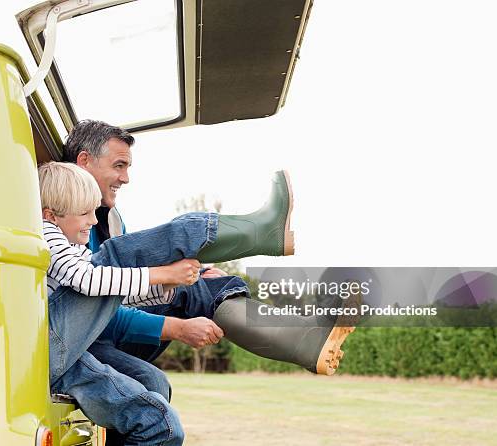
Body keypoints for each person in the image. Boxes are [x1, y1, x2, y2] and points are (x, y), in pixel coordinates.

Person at [62, 119, 357, 377]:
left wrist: (189, 276)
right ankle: (263, 232)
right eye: (119, 166)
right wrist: (176, 323)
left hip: (105, 330)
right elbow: (95, 296)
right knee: (144, 256)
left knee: (201, 286)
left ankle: (307, 339)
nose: (126, 178)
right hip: (78, 337)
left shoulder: (110, 220)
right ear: (84, 161)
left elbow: (124, 291)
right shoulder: (55, 217)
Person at [39, 161, 303, 445]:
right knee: (116, 257)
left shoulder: (71, 245)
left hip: (66, 353)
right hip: (46, 348)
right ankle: (251, 232)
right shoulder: (45, 232)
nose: (93, 221)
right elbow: (89, 280)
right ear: (50, 215)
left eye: (94, 212)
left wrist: (168, 285)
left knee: (159, 419)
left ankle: (297, 335)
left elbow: (107, 295)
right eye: (85, 213)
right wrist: (160, 274)